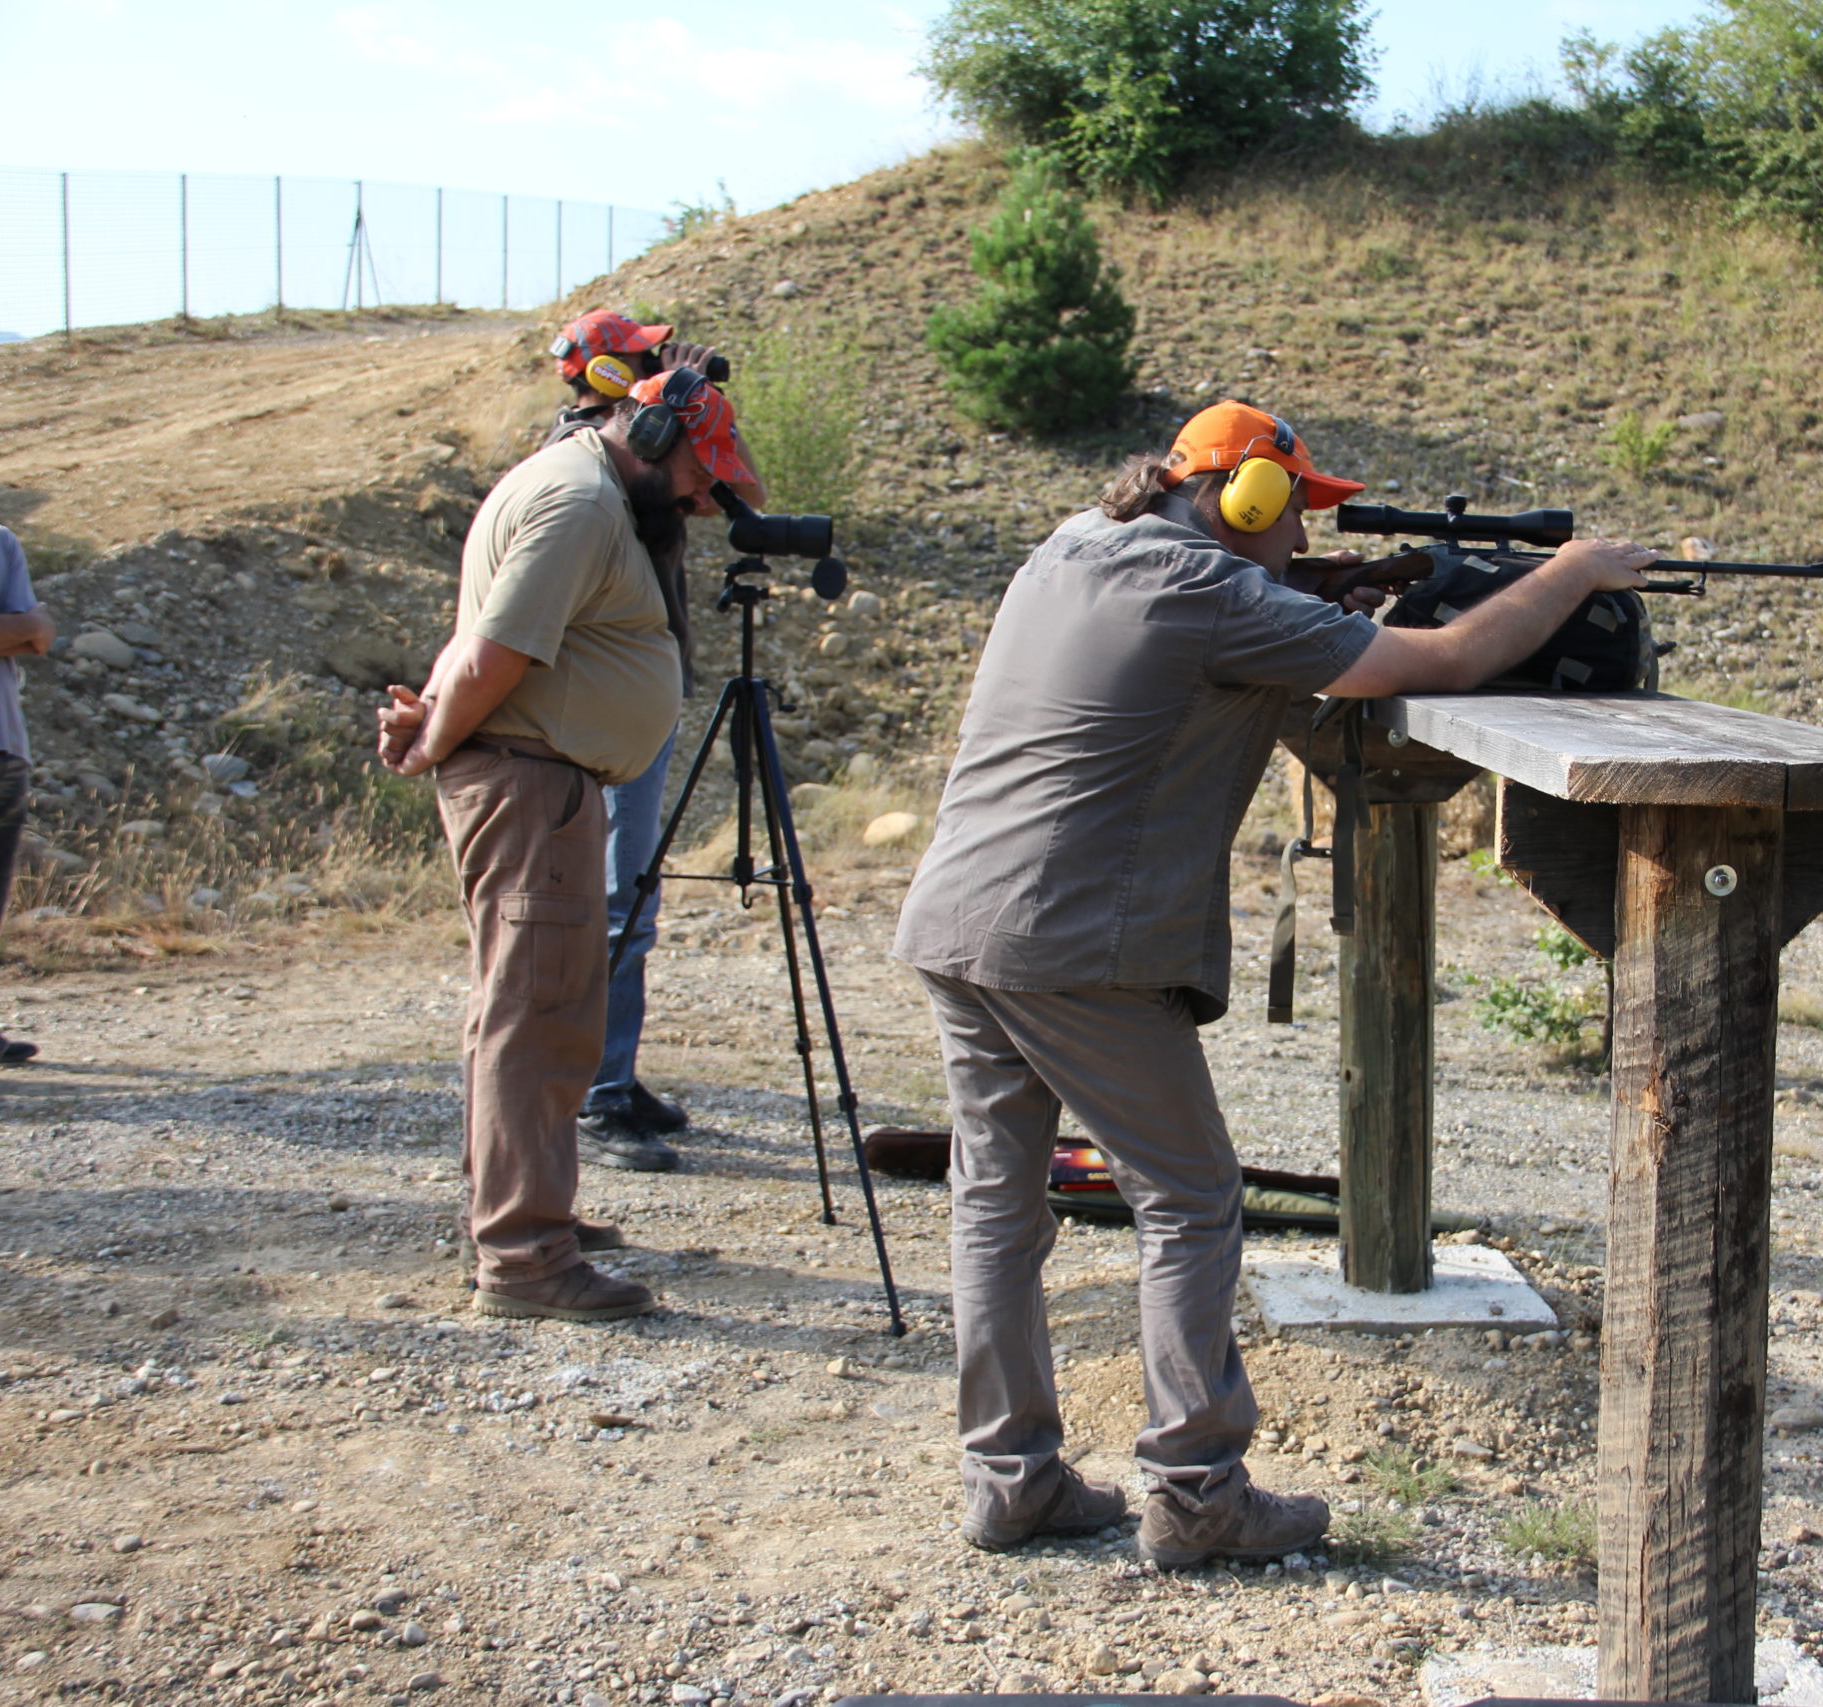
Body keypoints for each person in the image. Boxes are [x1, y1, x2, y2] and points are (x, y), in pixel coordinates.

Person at [892, 399, 1654, 1565]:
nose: (1302, 540)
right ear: (1244, 497)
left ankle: (1011, 1479)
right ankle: (1196, 1493)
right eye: (1294, 514)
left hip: (960, 919)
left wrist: (1309, 596)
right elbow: (1448, 659)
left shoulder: (1072, 546)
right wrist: (1572, 571)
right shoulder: (1216, 595)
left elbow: (1200, 644)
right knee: (1191, 1201)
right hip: (1070, 942)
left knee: (998, 1202)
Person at [375, 372, 759, 1323]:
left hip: (537, 779)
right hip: (529, 781)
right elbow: (491, 653)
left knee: (533, 1005)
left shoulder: (577, 489)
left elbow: (489, 641)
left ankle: (524, 1209)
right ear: (656, 431)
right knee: (536, 1014)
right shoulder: (581, 502)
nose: (705, 500)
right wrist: (432, 737)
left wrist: (437, 723)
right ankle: (524, 1255)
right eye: (698, 477)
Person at [543, 311, 760, 1172]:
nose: (653, 364)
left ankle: (613, 1073)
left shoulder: (641, 457)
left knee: (633, 900)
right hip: (593, 713)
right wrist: (672, 402)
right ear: (605, 376)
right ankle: (596, 1096)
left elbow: (735, 498)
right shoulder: (581, 458)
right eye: (639, 358)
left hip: (631, 706)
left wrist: (694, 406)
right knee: (613, 907)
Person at [0, 523, 53, 1066]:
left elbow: (40, 634)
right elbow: (23, 628)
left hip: (0, 744)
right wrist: (10, 629)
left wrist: (24, 628)